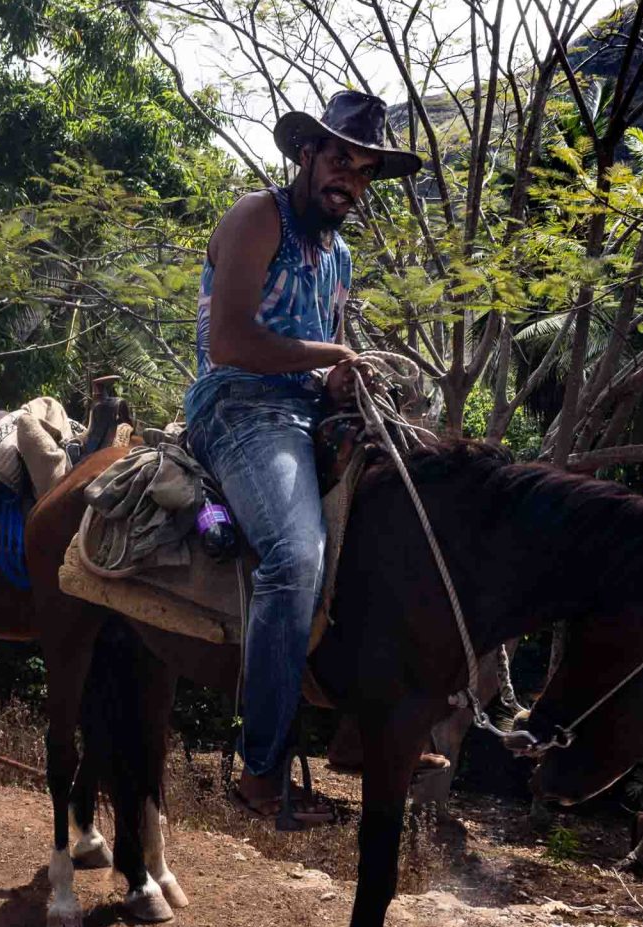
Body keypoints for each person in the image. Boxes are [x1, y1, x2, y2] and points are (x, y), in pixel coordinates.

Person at [185, 91, 422, 826]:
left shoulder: (341, 256)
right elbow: (230, 343)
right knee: (294, 556)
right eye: (340, 159)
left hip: (308, 412)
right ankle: (261, 774)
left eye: (365, 170)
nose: (350, 178)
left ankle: (371, 720)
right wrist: (335, 354)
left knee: (414, 520)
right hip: (241, 408)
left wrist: (344, 379)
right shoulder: (260, 219)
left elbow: (315, 361)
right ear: (307, 154)